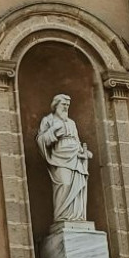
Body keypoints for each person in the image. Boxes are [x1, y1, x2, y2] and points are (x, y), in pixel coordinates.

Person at [36, 92, 92, 226]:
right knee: (64, 184)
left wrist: (84, 153)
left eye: (68, 105)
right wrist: (54, 133)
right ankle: (62, 217)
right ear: (56, 105)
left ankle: (76, 217)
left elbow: (77, 141)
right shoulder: (48, 120)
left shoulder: (71, 123)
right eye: (64, 104)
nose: (66, 107)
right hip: (59, 156)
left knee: (78, 185)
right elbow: (40, 140)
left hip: (75, 157)